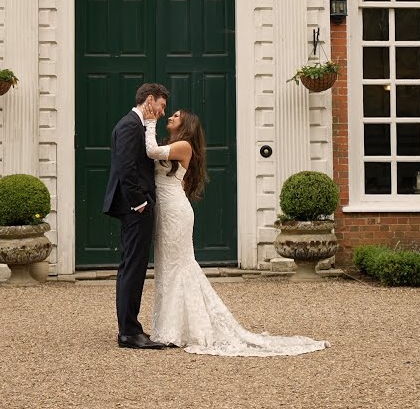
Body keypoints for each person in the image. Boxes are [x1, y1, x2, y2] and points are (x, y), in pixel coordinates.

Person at [142, 105, 329, 357]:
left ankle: (180, 330)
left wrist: (150, 121)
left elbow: (152, 151)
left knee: (181, 265)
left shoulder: (184, 145)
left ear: (186, 125)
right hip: (165, 211)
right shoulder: (173, 145)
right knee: (167, 267)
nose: (171, 117)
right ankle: (171, 326)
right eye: (171, 114)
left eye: (176, 116)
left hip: (176, 212)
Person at [102, 82, 170, 350]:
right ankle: (129, 332)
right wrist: (140, 203)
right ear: (150, 100)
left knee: (131, 265)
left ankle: (128, 327)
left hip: (134, 206)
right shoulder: (130, 125)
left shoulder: (133, 124)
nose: (163, 113)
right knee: (133, 266)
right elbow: (126, 168)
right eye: (162, 106)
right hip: (135, 207)